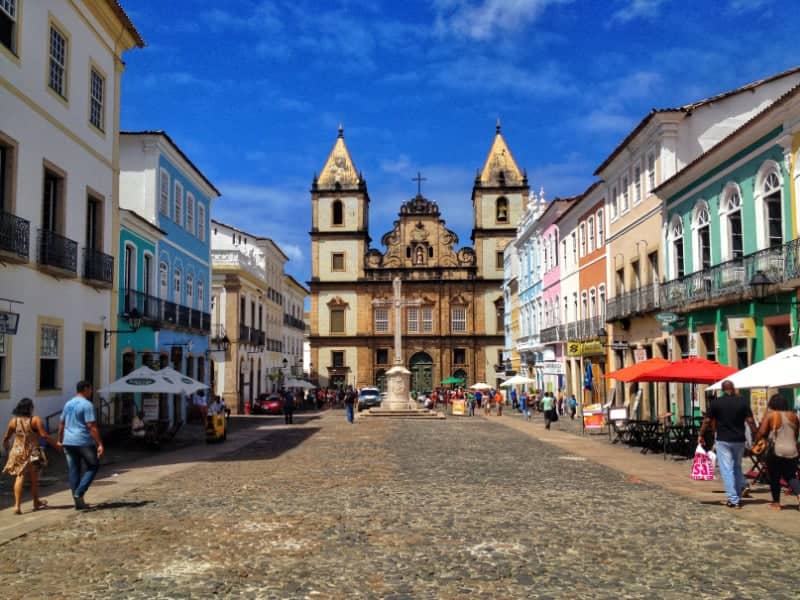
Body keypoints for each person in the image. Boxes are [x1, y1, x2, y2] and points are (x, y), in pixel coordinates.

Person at [698, 380, 757, 509]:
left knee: (727, 469)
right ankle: (737, 497)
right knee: (736, 467)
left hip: (723, 440)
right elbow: (751, 421)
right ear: (733, 388)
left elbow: (707, 420)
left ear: (722, 389)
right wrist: (756, 436)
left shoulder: (716, 403)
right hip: (739, 440)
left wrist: (701, 434)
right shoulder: (742, 402)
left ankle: (734, 499)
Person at [2, 398, 60, 514]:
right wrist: (56, 444)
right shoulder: (35, 420)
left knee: (20, 476)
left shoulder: (14, 421)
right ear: (30, 408)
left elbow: (6, 437)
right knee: (34, 478)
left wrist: (6, 445)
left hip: (18, 451)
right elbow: (44, 435)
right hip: (34, 451)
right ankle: (35, 502)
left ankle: (17, 506)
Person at [58, 381, 104, 510]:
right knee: (93, 465)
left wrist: (59, 439)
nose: (91, 392)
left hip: (68, 441)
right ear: (86, 388)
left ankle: (78, 502)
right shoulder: (87, 405)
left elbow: (61, 423)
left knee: (74, 470)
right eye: (90, 389)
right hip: (83, 441)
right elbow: (91, 426)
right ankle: (80, 492)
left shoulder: (68, 404)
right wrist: (99, 443)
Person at [754, 394, 800, 511]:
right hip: (792, 450)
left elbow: (762, 432)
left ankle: (776, 503)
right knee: (790, 476)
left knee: (775, 476)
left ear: (773, 404)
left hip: (776, 450)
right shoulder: (794, 416)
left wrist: (756, 441)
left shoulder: (771, 416)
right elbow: (796, 434)